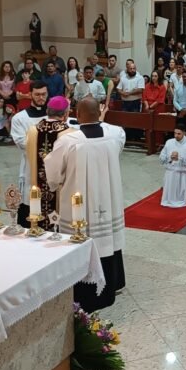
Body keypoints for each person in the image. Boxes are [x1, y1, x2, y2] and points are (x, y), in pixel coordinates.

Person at [45, 98, 126, 309]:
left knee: (81, 238)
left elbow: (53, 175)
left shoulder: (68, 141)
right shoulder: (115, 134)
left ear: (77, 115)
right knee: (106, 239)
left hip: (79, 204)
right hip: (108, 199)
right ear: (99, 113)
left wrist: (54, 180)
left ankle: (86, 296)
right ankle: (112, 285)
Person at [21, 96, 72, 229]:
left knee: (39, 222)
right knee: (57, 226)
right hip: (60, 190)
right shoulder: (69, 133)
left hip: (37, 188)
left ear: (47, 111)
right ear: (66, 114)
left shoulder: (32, 130)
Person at [10, 81, 49, 212]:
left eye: (44, 94)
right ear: (30, 94)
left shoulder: (54, 116)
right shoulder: (19, 118)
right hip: (31, 164)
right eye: (37, 94)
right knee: (30, 201)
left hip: (53, 165)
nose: (41, 97)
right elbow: (21, 142)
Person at [159, 123, 186, 207]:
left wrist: (181, 159)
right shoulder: (169, 142)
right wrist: (170, 158)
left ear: (184, 133)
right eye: (175, 133)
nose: (176, 136)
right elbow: (161, 159)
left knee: (182, 199)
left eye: (179, 134)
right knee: (168, 201)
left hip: (183, 175)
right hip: (170, 174)